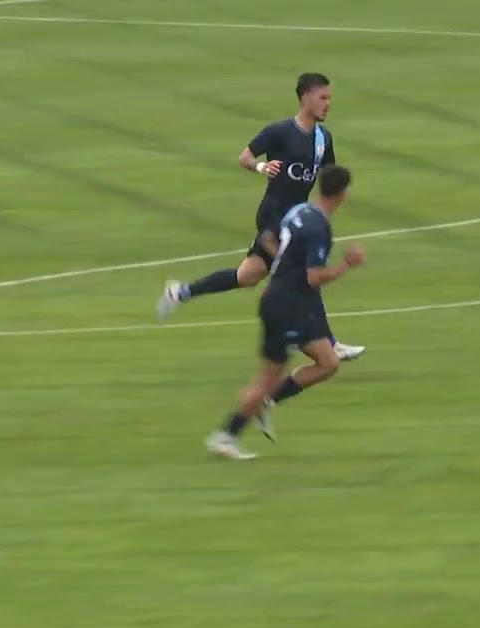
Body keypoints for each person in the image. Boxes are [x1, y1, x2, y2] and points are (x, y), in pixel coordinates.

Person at [156, 72, 365, 361]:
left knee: (247, 276)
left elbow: (329, 179)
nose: (328, 103)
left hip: (296, 220)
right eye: (323, 97)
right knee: (303, 275)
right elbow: (244, 156)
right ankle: (326, 342)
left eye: (329, 98)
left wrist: (323, 210)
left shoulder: (323, 139)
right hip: (273, 217)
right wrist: (260, 167)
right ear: (306, 98)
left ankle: (180, 292)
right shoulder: (280, 131)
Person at [207, 165, 364, 460]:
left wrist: (286, 262)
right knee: (267, 377)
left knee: (328, 362)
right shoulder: (319, 228)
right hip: (286, 306)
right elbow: (314, 277)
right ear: (342, 193)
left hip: (289, 302)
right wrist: (346, 265)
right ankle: (226, 436)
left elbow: (268, 237)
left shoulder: (299, 211)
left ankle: (266, 402)